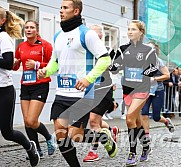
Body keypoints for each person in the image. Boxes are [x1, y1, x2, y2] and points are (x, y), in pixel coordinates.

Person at [37, 1, 117, 166]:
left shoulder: (86, 34)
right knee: (60, 134)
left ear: (76, 11)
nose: (61, 11)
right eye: (60, 7)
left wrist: (89, 78)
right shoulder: (58, 35)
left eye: (65, 8)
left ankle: (103, 136)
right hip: (62, 92)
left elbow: (105, 59)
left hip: (82, 93)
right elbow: (55, 61)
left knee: (75, 134)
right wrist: (46, 70)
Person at [110, 20, 157, 166]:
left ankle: (132, 152)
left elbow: (153, 68)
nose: (130, 32)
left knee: (129, 119)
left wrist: (143, 72)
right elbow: (115, 68)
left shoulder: (148, 50)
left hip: (142, 89)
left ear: (141, 32)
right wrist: (113, 65)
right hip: (128, 90)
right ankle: (146, 146)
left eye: (133, 29)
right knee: (136, 122)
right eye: (129, 29)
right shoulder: (122, 49)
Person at [0, 6, 40, 167]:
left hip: (4, 91)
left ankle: (30, 147)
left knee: (7, 132)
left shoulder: (3, 37)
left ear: (2, 21)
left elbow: (9, 63)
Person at [13, 20, 57, 159]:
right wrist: (14, 63)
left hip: (40, 85)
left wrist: (37, 64)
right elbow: (15, 66)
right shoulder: (21, 46)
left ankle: (49, 137)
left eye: (32, 27)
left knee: (32, 120)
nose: (29, 30)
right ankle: (36, 149)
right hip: (26, 84)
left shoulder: (45, 45)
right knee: (27, 121)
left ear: (37, 30)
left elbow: (55, 64)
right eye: (26, 27)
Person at [83, 24, 119, 162]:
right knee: (95, 121)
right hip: (89, 89)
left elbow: (115, 69)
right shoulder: (85, 50)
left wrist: (114, 84)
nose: (90, 36)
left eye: (94, 33)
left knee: (93, 121)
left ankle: (93, 151)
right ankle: (110, 131)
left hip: (104, 89)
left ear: (100, 36)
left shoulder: (107, 50)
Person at [141, 41, 175, 160]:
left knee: (156, 117)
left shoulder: (158, 62)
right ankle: (146, 137)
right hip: (145, 91)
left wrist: (154, 78)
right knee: (143, 113)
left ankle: (166, 121)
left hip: (157, 91)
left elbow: (167, 75)